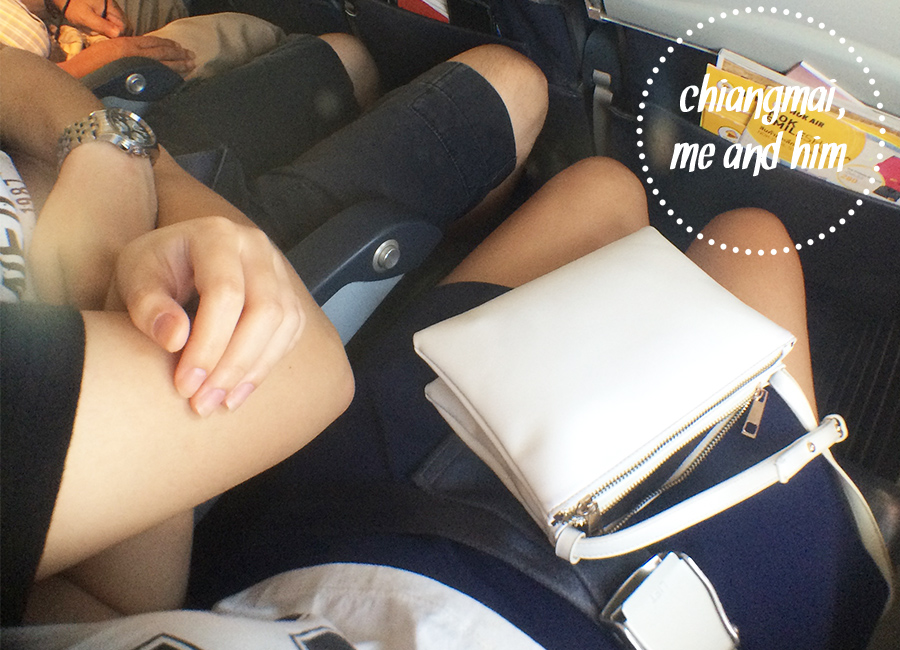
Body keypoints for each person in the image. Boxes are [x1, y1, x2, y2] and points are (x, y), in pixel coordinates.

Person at [1, 33, 547, 628]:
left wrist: (105, 150)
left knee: (350, 55)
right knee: (511, 86)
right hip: (189, 265)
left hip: (103, 156)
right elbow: (305, 372)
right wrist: (131, 173)